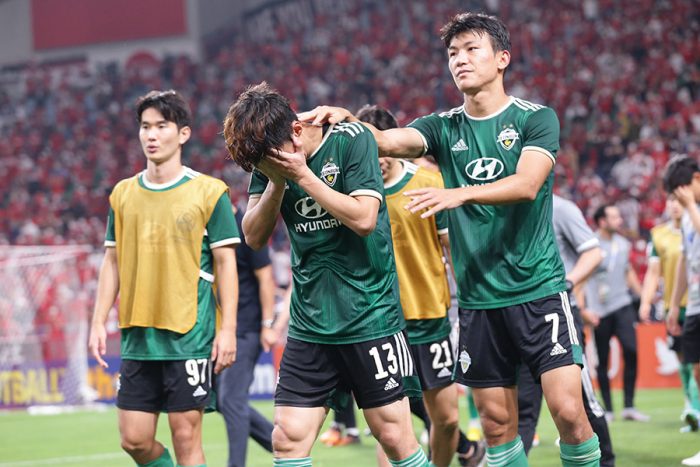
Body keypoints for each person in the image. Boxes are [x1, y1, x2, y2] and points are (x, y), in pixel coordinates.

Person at [300, 12, 601, 467]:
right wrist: (349, 122)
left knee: (569, 413)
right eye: (453, 53)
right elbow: (386, 141)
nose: (460, 59)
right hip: (478, 302)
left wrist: (459, 193)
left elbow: (527, 184)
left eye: (471, 49)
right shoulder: (442, 126)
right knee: (495, 424)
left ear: (502, 58)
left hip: (538, 290)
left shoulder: (535, 118)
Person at [223, 82, 428, 467]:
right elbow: (252, 235)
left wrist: (302, 176)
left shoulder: (351, 140)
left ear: (296, 131)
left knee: (393, 436)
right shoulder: (268, 156)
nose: (268, 167)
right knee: (287, 437)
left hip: (370, 315)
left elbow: (364, 219)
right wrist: (277, 181)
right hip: (310, 324)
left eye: (271, 162)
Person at [88, 90, 239, 467]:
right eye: (145, 127)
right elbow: (111, 261)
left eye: (161, 126)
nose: (151, 135)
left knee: (186, 438)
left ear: (183, 133)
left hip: (188, 334)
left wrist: (228, 330)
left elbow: (226, 264)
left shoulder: (209, 192)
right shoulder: (122, 194)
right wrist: (97, 320)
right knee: (134, 440)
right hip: (138, 336)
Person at [356, 105, 485, 467]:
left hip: (429, 317)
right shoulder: (353, 194)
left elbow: (452, 249)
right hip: (379, 323)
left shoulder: (429, 184)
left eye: (379, 151)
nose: (375, 161)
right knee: (391, 426)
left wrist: (471, 307)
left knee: (447, 420)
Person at [517, 194, 615, 466]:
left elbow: (593, 252)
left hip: (560, 315)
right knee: (523, 408)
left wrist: (566, 283)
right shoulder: (510, 206)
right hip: (522, 317)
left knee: (581, 404)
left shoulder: (560, 208)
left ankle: (607, 462)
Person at [215, 205, 288, 467]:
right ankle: (284, 446)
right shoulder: (212, 227)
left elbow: (265, 277)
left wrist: (268, 325)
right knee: (221, 399)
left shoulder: (245, 227)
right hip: (220, 331)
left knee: (230, 399)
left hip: (246, 329)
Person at [639, 194, 700, 432]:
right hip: (675, 306)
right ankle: (691, 404)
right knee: (683, 358)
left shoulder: (693, 228)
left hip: (696, 302)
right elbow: (654, 273)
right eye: (670, 200)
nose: (674, 205)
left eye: (678, 200)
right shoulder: (658, 235)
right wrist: (646, 301)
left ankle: (695, 407)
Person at [585, 204, 647, 422]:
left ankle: (629, 406)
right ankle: (608, 409)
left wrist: (644, 298)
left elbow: (628, 271)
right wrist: (584, 307)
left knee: (631, 351)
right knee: (602, 360)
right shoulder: (589, 243)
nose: (619, 220)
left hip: (622, 305)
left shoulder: (623, 244)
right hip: (599, 310)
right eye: (614, 217)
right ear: (602, 221)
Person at [664, 156, 700, 466]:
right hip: (696, 305)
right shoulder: (687, 218)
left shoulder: (692, 213)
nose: (677, 198)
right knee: (698, 373)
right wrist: (675, 304)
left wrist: (691, 207)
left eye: (680, 190)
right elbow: (686, 264)